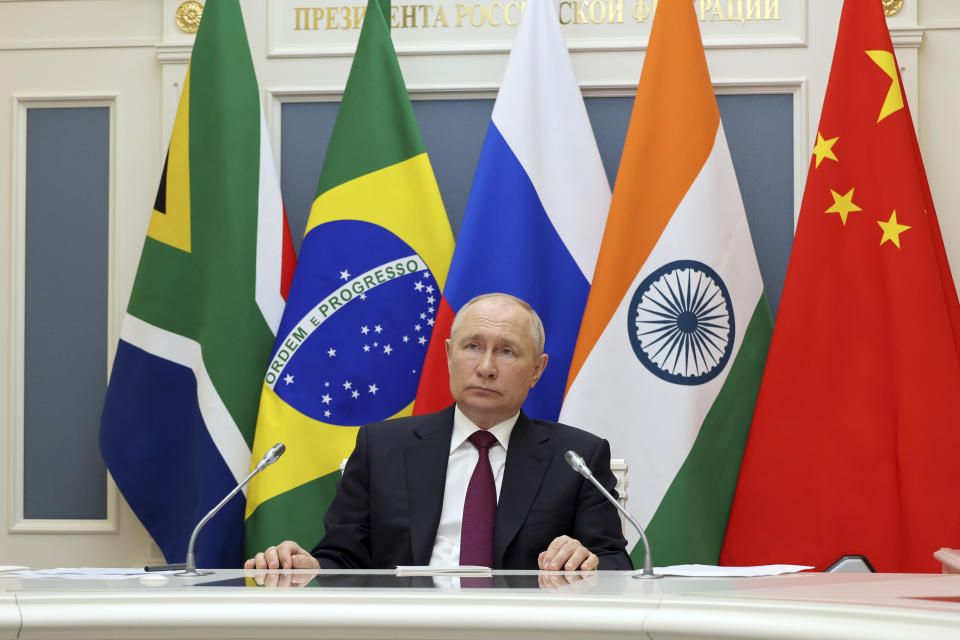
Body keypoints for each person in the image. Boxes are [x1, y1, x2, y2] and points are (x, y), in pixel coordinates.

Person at [245, 293, 632, 571]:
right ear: (448, 355)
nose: (485, 367)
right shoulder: (382, 447)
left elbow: (615, 560)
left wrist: (586, 558)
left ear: (537, 369)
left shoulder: (577, 458)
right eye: (472, 346)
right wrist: (307, 564)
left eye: (507, 351)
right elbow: (343, 558)